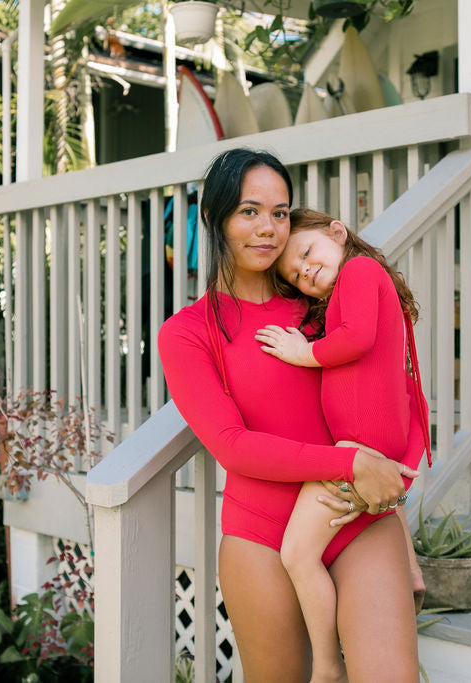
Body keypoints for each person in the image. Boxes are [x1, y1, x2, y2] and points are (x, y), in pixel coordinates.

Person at [158, 148, 421, 682]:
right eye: (249, 211)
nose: (268, 229)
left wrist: (400, 471)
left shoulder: (322, 295)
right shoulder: (187, 331)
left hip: (356, 517)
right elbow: (231, 444)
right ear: (215, 218)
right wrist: (350, 465)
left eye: (280, 213)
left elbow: (396, 383)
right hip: (261, 533)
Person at [255, 208, 432, 682]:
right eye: (295, 275)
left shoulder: (358, 269)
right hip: (372, 447)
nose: (305, 271)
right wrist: (407, 460)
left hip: (358, 448)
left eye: (307, 252)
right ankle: (408, 570)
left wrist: (302, 352)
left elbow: (356, 341)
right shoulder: (360, 289)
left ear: (338, 231)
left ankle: (328, 666)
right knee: (337, 532)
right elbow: (405, 380)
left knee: (297, 554)